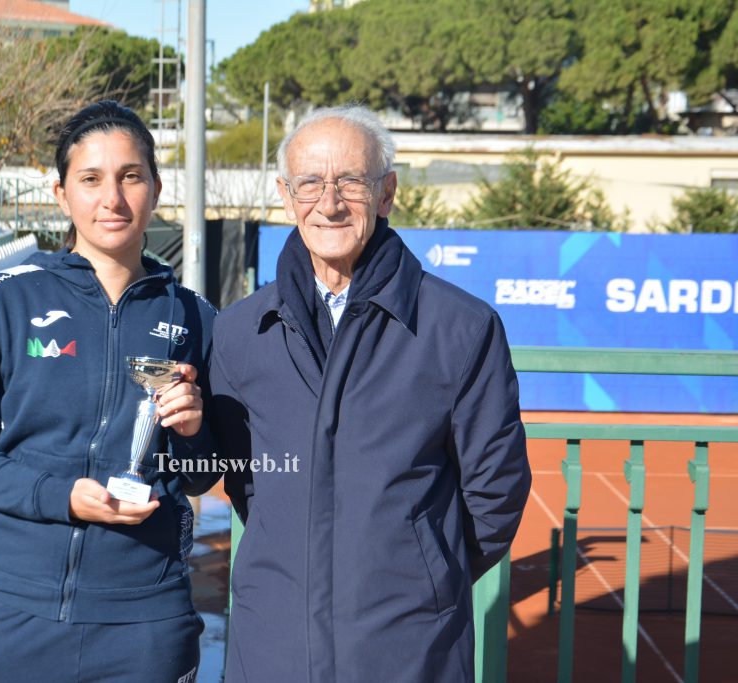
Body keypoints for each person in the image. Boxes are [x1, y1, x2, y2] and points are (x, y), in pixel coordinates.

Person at [209, 104, 531, 682]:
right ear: (286, 195)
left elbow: (496, 492)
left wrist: (422, 574)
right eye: (309, 183)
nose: (329, 203)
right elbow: (246, 482)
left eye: (350, 181)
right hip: (273, 646)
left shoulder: (462, 327)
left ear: (386, 193)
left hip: (411, 651)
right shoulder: (237, 332)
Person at [0, 100, 217, 683]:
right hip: (12, 609)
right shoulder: (5, 299)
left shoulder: (195, 318)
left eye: (130, 177)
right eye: (91, 179)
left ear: (156, 189)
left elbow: (203, 473)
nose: (112, 198)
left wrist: (190, 433)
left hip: (145, 620)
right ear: (61, 194)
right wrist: (58, 496)